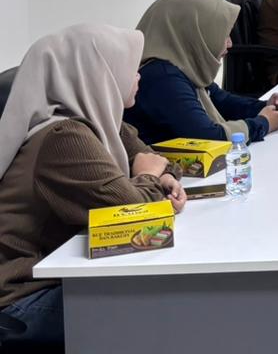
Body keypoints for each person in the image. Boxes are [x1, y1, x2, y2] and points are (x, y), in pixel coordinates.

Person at [0, 24, 188, 348]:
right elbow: (134, 212)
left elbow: (152, 159)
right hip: (22, 299)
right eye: (129, 67)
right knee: (163, 308)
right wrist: (151, 177)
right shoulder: (63, 137)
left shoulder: (103, 121)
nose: (138, 76)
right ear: (100, 74)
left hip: (58, 277)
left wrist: (164, 175)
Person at [125, 0, 278, 144]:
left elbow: (221, 100)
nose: (230, 44)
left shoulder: (183, 65)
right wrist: (263, 123)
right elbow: (209, 137)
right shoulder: (162, 77)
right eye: (223, 35)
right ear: (194, 34)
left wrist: (264, 106)